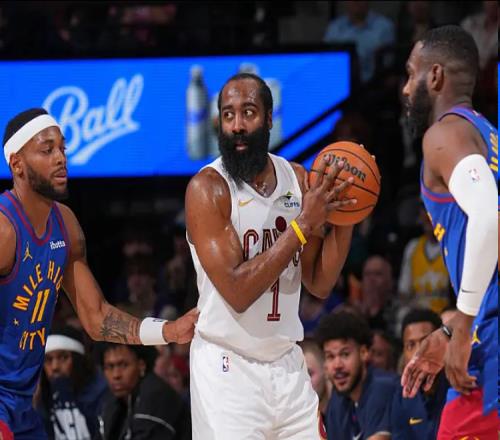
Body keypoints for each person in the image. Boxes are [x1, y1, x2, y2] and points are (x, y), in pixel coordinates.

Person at [0, 108, 199, 439]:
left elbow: (96, 317)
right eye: (46, 150)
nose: (60, 158)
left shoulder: (65, 224)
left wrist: (168, 330)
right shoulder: (5, 229)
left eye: (62, 148)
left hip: (22, 407)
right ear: (17, 164)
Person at [185, 72, 356, 439]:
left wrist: (347, 216)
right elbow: (237, 291)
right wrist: (302, 226)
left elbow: (319, 283)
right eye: (228, 115)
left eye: (248, 112)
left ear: (268, 118)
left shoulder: (297, 179)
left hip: (286, 363)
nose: (237, 125)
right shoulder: (207, 189)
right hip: (227, 368)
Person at [401, 25, 498, 438]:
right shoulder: (487, 136)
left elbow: (488, 218)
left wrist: (461, 326)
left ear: (436, 75)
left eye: (411, 73)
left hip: (490, 347)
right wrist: (449, 329)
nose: (406, 88)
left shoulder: (444, 135)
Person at [315, 310, 396, 440]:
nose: (337, 365)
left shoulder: (382, 387)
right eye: (330, 356)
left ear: (364, 353)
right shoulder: (338, 399)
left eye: (345, 354)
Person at [99, 343, 191, 440]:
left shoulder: (155, 396)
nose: (116, 375)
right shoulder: (113, 401)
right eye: (109, 367)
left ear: (141, 365)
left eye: (123, 365)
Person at [34, 326, 108, 439]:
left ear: (78, 360)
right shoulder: (43, 399)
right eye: (48, 360)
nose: (55, 367)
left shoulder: (102, 392)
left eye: (63, 357)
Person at [391, 309, 448, 440]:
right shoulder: (402, 394)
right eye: (410, 345)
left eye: (425, 343)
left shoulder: (457, 384)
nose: (418, 352)